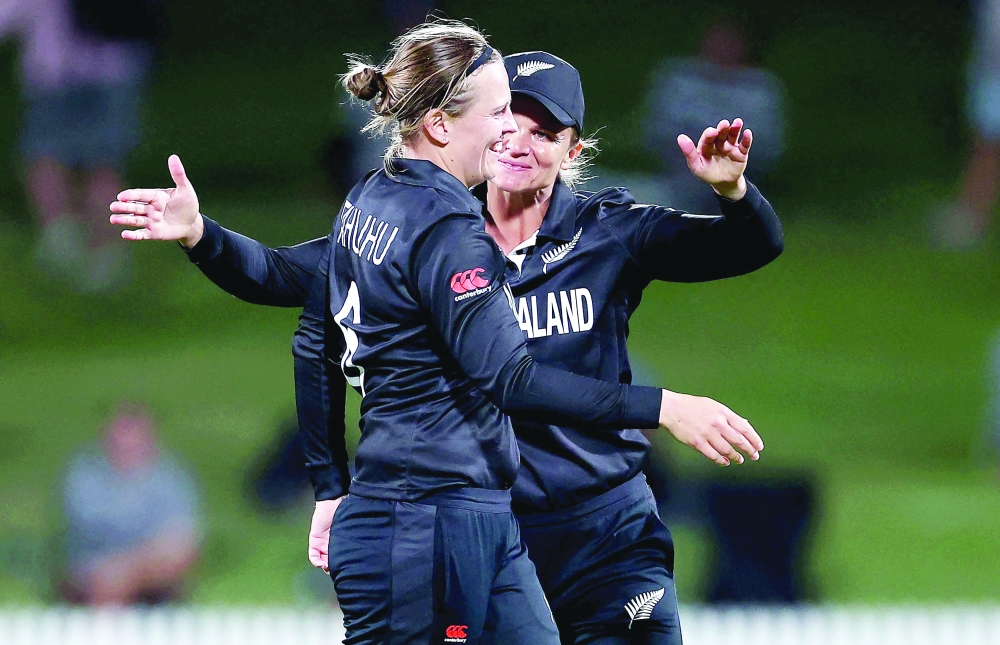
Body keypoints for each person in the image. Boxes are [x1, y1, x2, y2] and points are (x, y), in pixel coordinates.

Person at [110, 22, 763, 645]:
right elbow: (504, 377)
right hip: (451, 520)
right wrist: (666, 406)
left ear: (574, 150)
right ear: (444, 120)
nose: (514, 135)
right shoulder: (442, 232)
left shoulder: (591, 228)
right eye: (506, 111)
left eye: (541, 128)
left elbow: (750, 247)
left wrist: (733, 191)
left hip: (583, 529)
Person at [0, 0, 157, 291]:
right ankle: (108, 258)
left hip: (54, 75)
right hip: (117, 70)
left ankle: (61, 234)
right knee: (104, 166)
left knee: (44, 158)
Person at [60, 403, 201, 605]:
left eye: (135, 440)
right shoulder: (84, 475)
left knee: (177, 553)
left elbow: (181, 532)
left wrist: (131, 560)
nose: (127, 447)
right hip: (96, 561)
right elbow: (90, 528)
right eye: (120, 440)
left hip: (151, 561)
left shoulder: (171, 477)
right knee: (110, 579)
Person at [642, 18, 785, 214]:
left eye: (729, 42)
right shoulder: (680, 78)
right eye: (716, 41)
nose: (722, 48)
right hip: (682, 166)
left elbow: (769, 145)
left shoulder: (760, 88)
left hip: (741, 167)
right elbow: (659, 130)